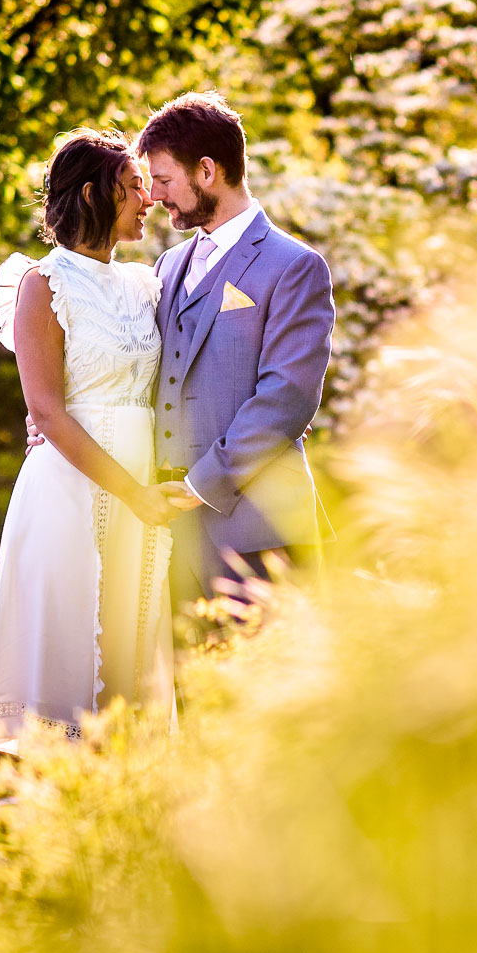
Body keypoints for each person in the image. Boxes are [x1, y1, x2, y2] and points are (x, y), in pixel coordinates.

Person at [0, 129, 195, 754]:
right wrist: (133, 493)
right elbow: (45, 408)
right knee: (73, 664)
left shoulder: (144, 285)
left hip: (140, 497)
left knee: (131, 650)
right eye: (133, 189)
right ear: (97, 194)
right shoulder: (42, 283)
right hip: (73, 494)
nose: (147, 201)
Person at [135, 92, 336, 617]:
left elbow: (287, 399)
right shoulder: (168, 266)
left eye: (163, 179)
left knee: (274, 694)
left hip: (258, 533)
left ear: (206, 171)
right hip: (173, 538)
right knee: (190, 695)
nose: (154, 196)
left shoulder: (295, 266)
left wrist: (202, 485)